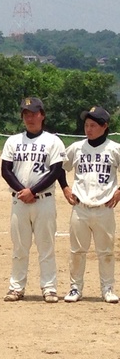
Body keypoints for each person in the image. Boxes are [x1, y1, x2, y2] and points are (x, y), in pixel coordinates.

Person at [0, 96, 65, 303]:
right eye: (26, 114)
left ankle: (49, 288)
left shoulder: (53, 141)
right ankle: (16, 287)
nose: (30, 117)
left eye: (34, 113)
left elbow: (55, 171)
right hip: (20, 201)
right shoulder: (13, 141)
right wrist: (23, 191)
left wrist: (33, 191)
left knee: (46, 246)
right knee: (19, 246)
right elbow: (6, 170)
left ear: (42, 115)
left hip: (44, 200)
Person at [60, 106, 120, 303]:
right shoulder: (77, 148)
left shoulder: (114, 148)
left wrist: (119, 190)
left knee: (106, 251)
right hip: (80, 207)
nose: (89, 129)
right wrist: (65, 188)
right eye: (86, 125)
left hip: (105, 208)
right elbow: (59, 168)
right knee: (77, 251)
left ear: (104, 126)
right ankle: (75, 288)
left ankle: (108, 288)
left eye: (93, 125)